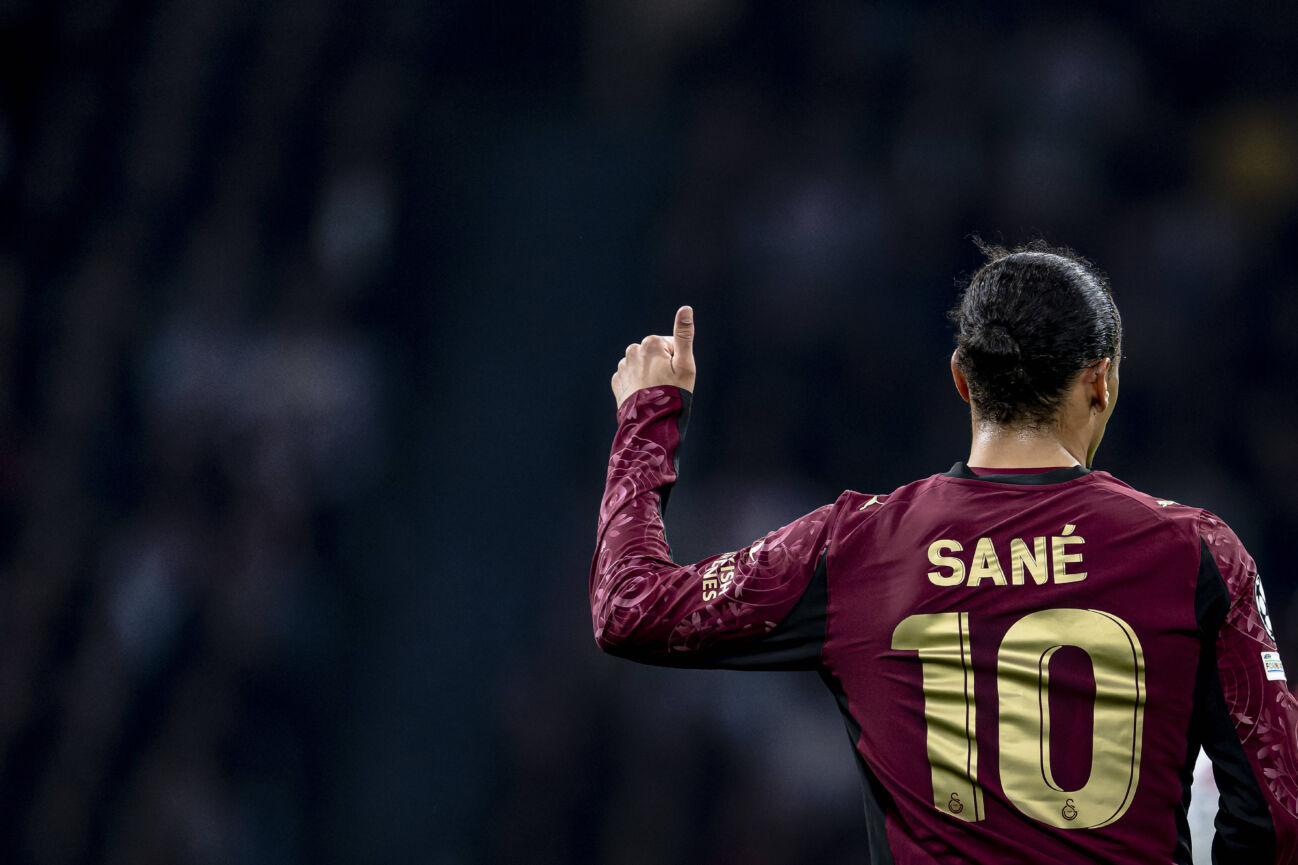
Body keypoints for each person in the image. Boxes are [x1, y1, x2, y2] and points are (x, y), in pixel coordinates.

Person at [589, 241, 1298, 864]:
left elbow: (630, 608)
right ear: (1101, 379)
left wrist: (649, 419)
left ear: (962, 377)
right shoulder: (1195, 551)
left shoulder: (856, 546)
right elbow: (1274, 812)